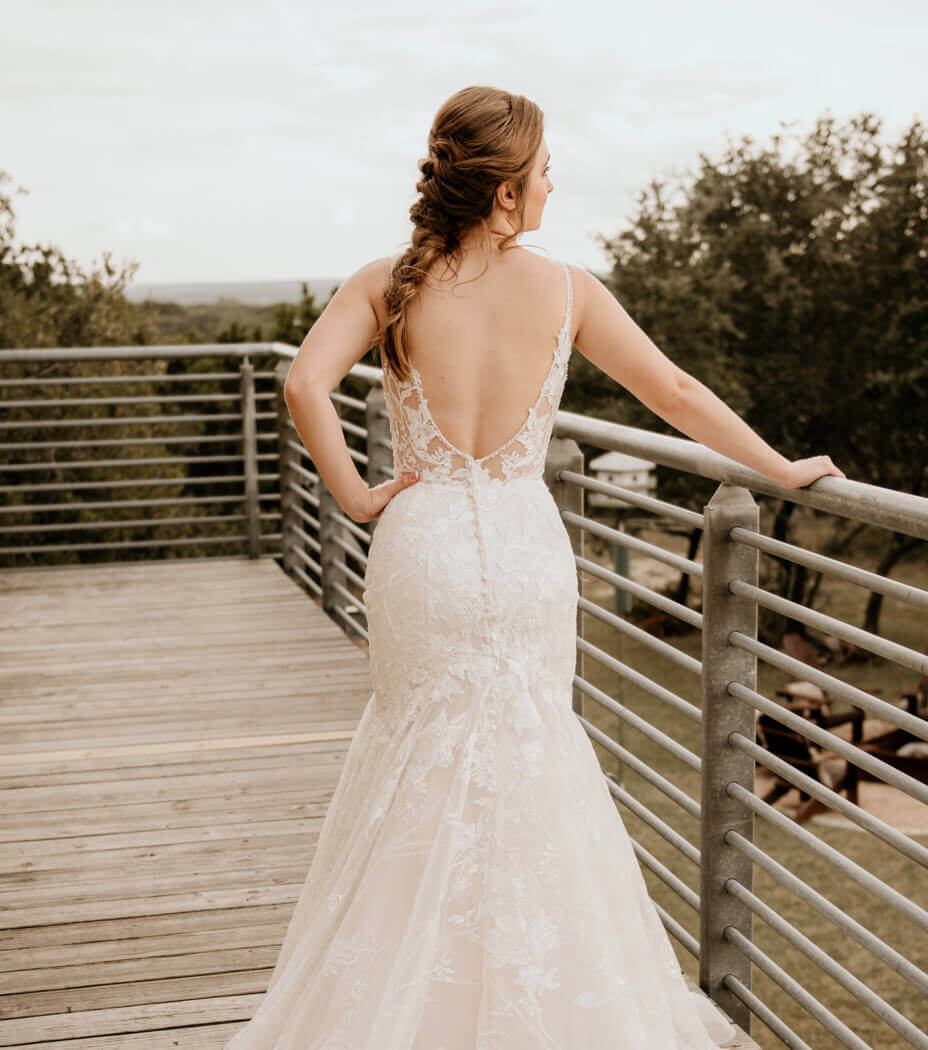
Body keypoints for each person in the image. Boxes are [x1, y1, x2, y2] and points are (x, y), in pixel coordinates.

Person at [224, 86, 845, 1049]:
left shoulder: (389, 281)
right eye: (545, 169)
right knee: (533, 757)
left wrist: (353, 493)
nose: (555, 184)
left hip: (422, 546)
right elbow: (674, 392)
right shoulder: (567, 290)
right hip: (521, 551)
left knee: (413, 757)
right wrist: (779, 468)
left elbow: (304, 381)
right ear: (506, 192)